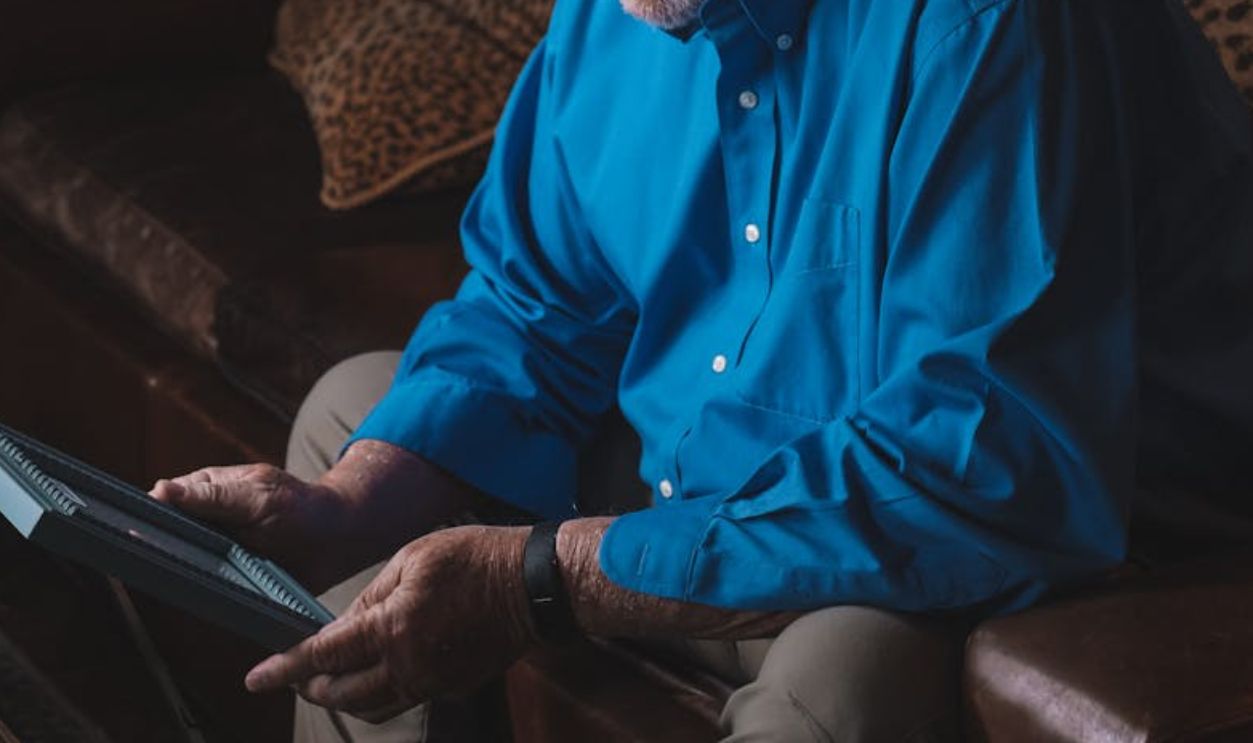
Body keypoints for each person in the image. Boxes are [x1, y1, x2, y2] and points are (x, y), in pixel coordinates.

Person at [152, 0, 1253, 740]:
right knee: (351, 413)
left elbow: (979, 469)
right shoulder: (625, 13)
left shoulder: (995, 27)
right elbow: (534, 302)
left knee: (851, 672)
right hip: (747, 471)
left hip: (1025, 526)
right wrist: (360, 495)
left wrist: (543, 574)